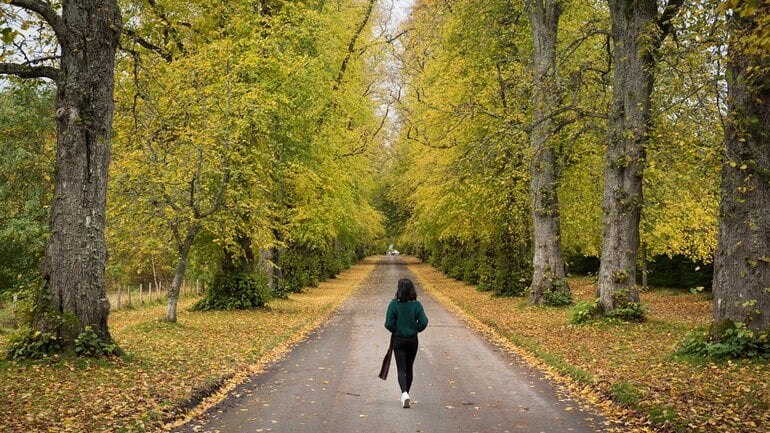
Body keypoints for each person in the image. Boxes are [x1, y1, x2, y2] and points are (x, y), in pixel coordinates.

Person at [384, 278, 428, 408]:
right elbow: (424, 322)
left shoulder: (394, 305)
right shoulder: (417, 305)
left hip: (399, 340)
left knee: (401, 368)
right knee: (409, 368)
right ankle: (406, 394)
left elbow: (388, 324)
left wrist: (396, 329)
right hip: (412, 340)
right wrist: (415, 329)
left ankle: (404, 394)